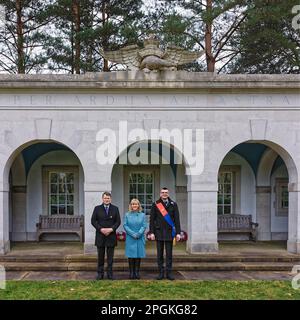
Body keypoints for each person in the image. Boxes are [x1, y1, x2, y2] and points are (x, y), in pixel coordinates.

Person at [149, 187, 181, 280]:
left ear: (168, 193)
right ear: (160, 194)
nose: (164, 194)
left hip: (169, 233)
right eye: (163, 192)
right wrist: (152, 232)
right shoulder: (156, 204)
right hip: (158, 232)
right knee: (159, 255)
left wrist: (178, 233)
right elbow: (152, 220)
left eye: (166, 192)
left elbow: (177, 220)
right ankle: (160, 273)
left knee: (169, 255)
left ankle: (169, 273)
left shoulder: (173, 204)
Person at [91, 191, 121, 280]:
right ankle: (100, 274)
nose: (106, 200)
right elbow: (93, 221)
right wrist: (101, 229)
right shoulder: (97, 208)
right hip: (100, 235)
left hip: (111, 236)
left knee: (110, 258)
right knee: (100, 257)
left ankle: (110, 274)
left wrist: (111, 229)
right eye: (105, 198)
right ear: (102, 199)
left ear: (110, 199)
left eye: (108, 198)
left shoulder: (115, 209)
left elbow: (118, 221)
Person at [123, 198, 147, 279]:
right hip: (130, 237)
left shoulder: (142, 215)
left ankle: (137, 272)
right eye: (133, 204)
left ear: (138, 205)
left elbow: (144, 226)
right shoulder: (127, 215)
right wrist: (133, 234)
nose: (134, 205)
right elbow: (125, 225)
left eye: (136, 204)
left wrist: (139, 233)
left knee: (138, 255)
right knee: (131, 256)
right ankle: (131, 272)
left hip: (139, 238)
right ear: (131, 205)